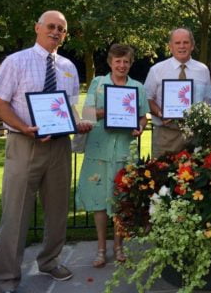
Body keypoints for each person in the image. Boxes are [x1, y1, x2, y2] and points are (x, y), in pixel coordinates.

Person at [0, 11, 92, 293]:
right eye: (51, 26)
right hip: (25, 144)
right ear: (37, 28)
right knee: (16, 213)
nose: (56, 31)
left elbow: (68, 109)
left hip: (59, 145)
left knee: (58, 209)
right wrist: (23, 127)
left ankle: (49, 261)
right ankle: (6, 279)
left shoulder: (69, 67)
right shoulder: (16, 61)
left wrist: (77, 123)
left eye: (61, 28)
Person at [76, 44, 149, 267]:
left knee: (121, 201)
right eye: (117, 61)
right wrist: (109, 110)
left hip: (124, 151)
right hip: (99, 149)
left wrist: (140, 126)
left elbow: (142, 116)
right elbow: (86, 113)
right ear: (110, 62)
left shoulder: (137, 87)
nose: (121, 65)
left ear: (130, 63)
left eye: (126, 61)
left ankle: (119, 246)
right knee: (99, 201)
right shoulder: (98, 84)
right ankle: (101, 248)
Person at [144, 28, 211, 158]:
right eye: (177, 43)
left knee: (195, 176)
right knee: (160, 176)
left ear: (192, 45)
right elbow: (147, 98)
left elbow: (208, 100)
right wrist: (160, 113)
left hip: (194, 136)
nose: (182, 46)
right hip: (165, 135)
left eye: (186, 42)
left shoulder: (203, 70)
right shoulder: (156, 70)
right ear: (170, 46)